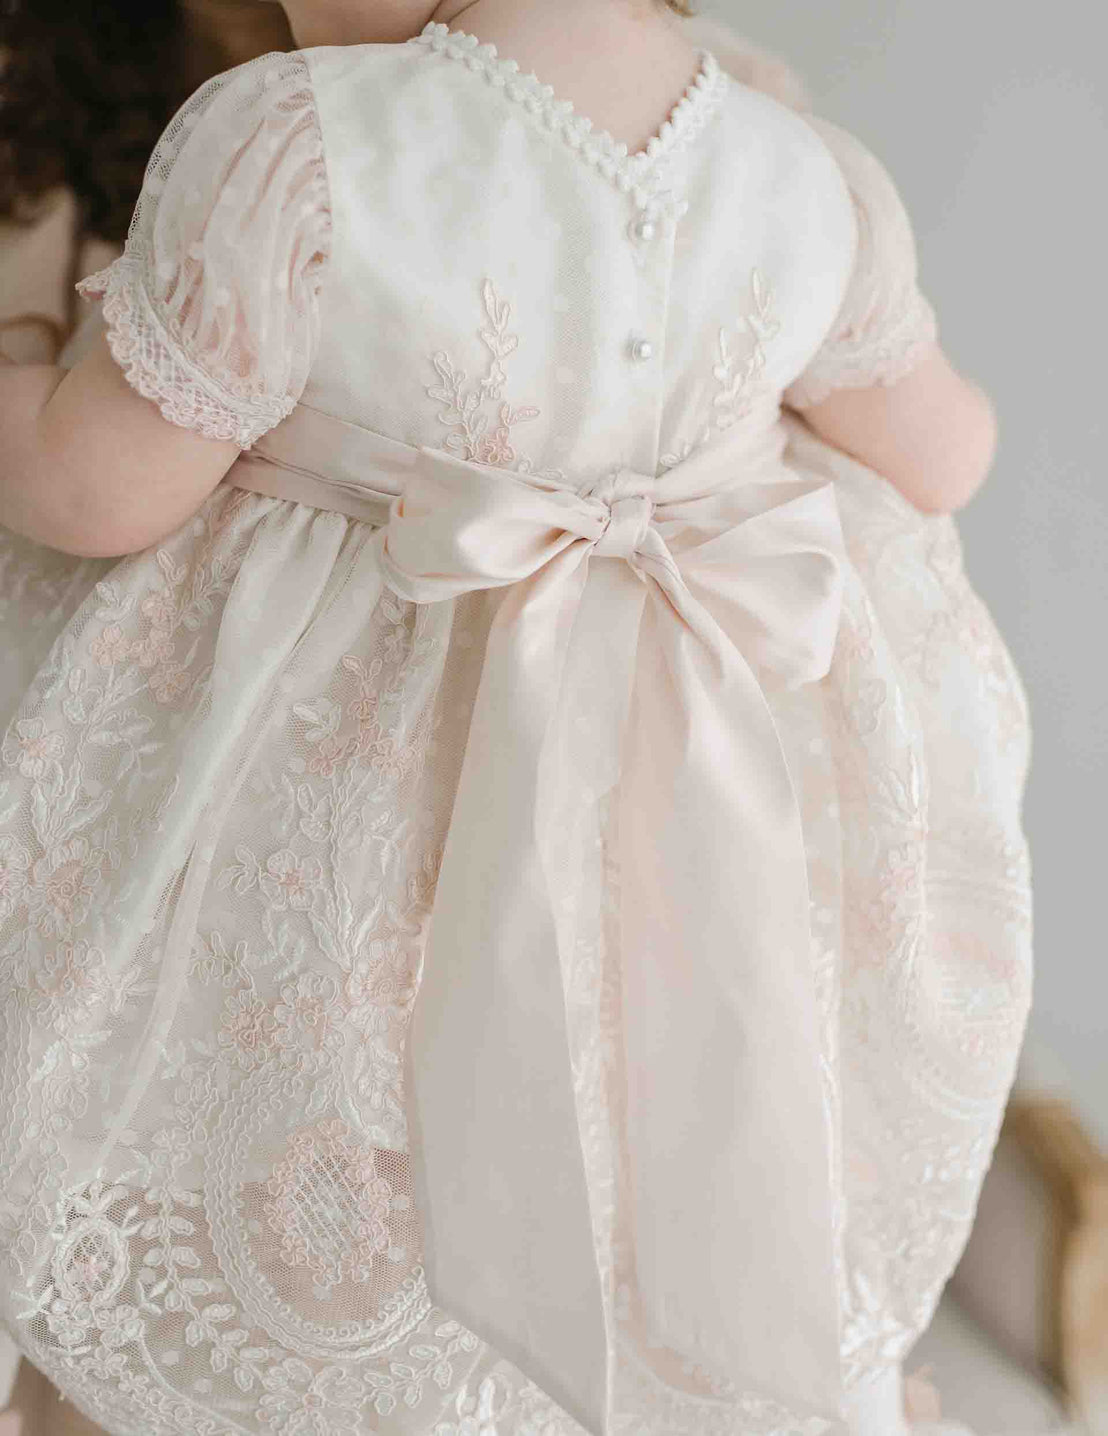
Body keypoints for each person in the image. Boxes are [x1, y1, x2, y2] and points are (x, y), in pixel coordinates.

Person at [0, 1, 1032, 1433]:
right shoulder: (812, 175)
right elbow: (947, 452)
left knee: (347, 1111)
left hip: (354, 810)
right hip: (692, 792)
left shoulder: (291, 149)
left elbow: (101, 490)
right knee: (649, 1105)